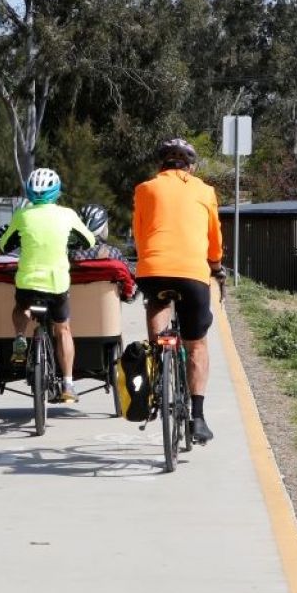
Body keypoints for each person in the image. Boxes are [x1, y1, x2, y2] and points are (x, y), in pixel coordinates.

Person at [132, 138, 224, 444]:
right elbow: (214, 236)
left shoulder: (145, 188)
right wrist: (215, 264)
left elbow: (140, 232)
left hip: (154, 270)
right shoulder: (205, 191)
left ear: (161, 165)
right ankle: (197, 417)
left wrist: (149, 262)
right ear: (191, 166)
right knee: (196, 344)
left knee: (156, 306)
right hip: (193, 275)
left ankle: (157, 362)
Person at [0, 167, 95, 403]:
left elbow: (3, 245)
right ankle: (68, 384)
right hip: (57, 283)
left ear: (30, 193)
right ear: (56, 192)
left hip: (28, 281)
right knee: (63, 329)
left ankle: (20, 337)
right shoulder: (67, 215)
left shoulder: (22, 215)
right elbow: (89, 240)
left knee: (21, 307)